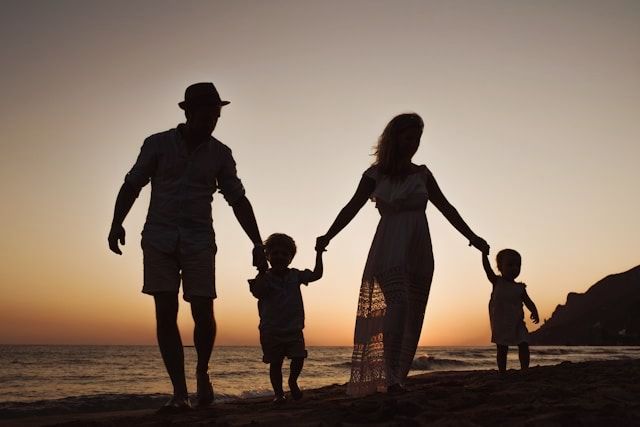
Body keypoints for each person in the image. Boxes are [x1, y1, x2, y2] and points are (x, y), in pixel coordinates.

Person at [108, 82, 268, 412]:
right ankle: (179, 393)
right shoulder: (157, 144)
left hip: (198, 239)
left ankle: (202, 372)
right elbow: (133, 183)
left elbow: (237, 198)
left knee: (203, 309)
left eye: (217, 116)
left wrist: (257, 242)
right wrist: (116, 223)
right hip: (158, 238)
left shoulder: (220, 154)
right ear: (189, 112)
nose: (212, 121)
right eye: (207, 115)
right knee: (166, 313)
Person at [315, 113, 489, 396]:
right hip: (388, 246)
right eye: (409, 137)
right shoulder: (374, 175)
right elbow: (351, 207)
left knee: (410, 313)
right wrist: (328, 235)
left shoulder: (422, 174)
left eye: (418, 138)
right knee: (396, 307)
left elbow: (447, 208)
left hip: (418, 249)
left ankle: (396, 375)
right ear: (394, 139)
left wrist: (473, 237)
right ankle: (389, 377)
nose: (414, 144)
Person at [248, 233, 323, 404]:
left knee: (298, 357)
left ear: (290, 258)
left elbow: (317, 274)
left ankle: (292, 381)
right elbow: (257, 292)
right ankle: (279, 393)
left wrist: (319, 253)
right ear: (267, 256)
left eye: (284, 254)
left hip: (294, 328)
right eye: (275, 253)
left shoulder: (295, 275)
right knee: (275, 364)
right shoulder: (263, 278)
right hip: (271, 330)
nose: (279, 256)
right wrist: (260, 269)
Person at [482, 248, 539, 374]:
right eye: (510, 265)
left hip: (518, 322)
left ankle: (525, 369)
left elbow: (528, 301)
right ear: (500, 267)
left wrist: (534, 311)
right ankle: (502, 371)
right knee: (502, 348)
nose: (514, 268)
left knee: (524, 343)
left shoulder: (520, 287)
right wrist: (484, 254)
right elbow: (487, 270)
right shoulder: (497, 282)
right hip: (501, 322)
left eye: (518, 265)